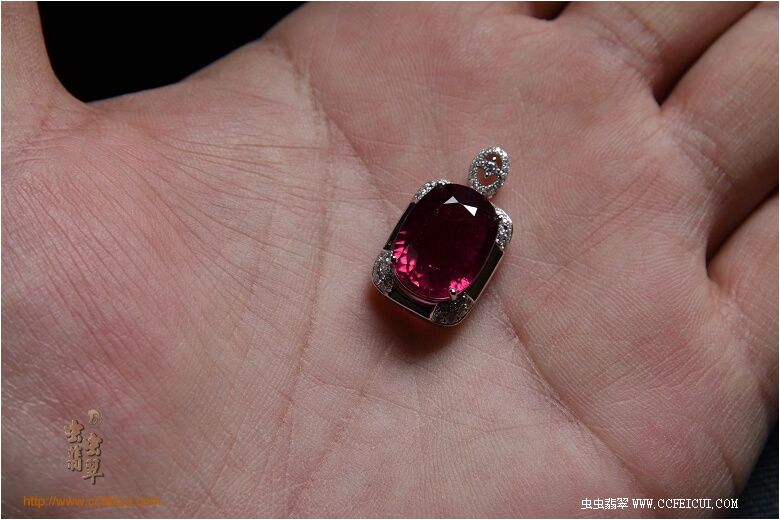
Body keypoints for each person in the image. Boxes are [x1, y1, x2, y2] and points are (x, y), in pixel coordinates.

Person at [2, 2, 777, 517]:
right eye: (488, 172)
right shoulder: (458, 205)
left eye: (493, 174)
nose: (490, 175)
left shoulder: (477, 215)